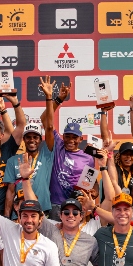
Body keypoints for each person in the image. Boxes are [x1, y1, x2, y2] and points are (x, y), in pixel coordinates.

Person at [21, 165, 97, 266]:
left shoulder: (90, 241)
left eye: (75, 212)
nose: (71, 215)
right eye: (66, 212)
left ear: (81, 216)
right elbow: (34, 205)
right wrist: (26, 179)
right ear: (60, 215)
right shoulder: (51, 231)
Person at [40, 76, 95, 210]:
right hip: (55, 205)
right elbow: (45, 119)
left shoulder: (88, 158)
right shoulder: (57, 145)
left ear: (80, 139)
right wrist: (58, 99)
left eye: (74, 137)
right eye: (68, 136)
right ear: (63, 136)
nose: (70, 140)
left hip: (76, 207)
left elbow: (87, 185)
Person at [4, 123, 53, 217]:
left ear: (41, 140)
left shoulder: (47, 156)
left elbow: (49, 126)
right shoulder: (13, 161)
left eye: (35, 137)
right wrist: (6, 216)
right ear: (23, 139)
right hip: (20, 213)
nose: (32, 140)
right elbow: (10, 191)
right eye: (28, 137)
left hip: (42, 211)